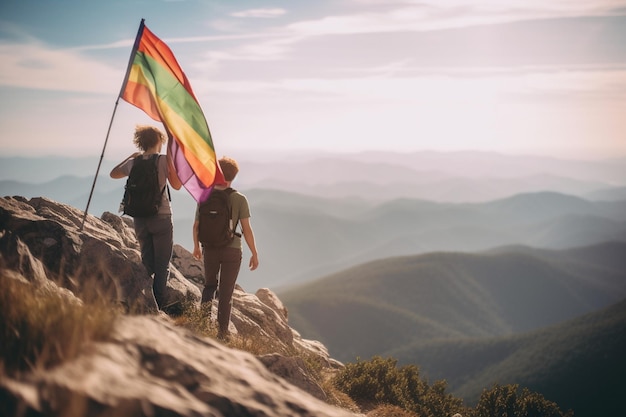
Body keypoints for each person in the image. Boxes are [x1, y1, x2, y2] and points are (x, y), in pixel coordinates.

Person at [110, 125, 182, 311]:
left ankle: (136, 299)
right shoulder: (163, 161)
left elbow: (113, 173)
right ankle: (157, 307)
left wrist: (132, 157)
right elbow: (176, 186)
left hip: (140, 218)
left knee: (147, 262)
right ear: (158, 141)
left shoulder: (134, 162)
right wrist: (172, 164)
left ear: (140, 142)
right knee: (162, 265)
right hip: (162, 217)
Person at [193, 156, 259, 340]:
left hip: (210, 247)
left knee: (209, 286)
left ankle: (201, 324)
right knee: (226, 292)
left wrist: (196, 247)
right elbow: (246, 229)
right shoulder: (239, 198)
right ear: (234, 176)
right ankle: (222, 334)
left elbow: (196, 226)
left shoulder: (204, 196)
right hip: (232, 250)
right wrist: (254, 252)